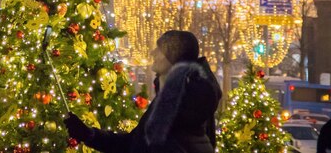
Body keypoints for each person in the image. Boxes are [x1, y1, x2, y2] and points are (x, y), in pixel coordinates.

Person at [64, 30, 221, 153]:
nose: (153, 53)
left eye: (160, 49)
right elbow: (134, 143)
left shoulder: (177, 113)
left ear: (172, 59)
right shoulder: (177, 105)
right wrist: (89, 135)